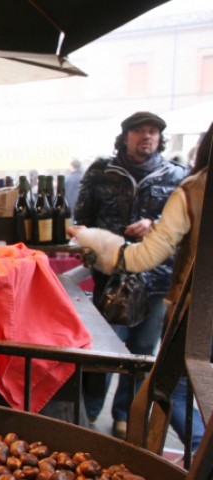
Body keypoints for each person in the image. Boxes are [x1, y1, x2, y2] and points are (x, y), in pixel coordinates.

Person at [68, 120, 213, 453]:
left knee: (158, 373)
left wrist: (105, 243)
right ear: (126, 136)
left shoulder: (184, 182)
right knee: (106, 355)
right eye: (140, 130)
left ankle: (193, 452)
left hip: (169, 289)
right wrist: (93, 237)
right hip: (116, 284)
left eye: (153, 130)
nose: (147, 136)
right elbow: (82, 215)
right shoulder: (102, 171)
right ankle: (90, 417)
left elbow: (149, 252)